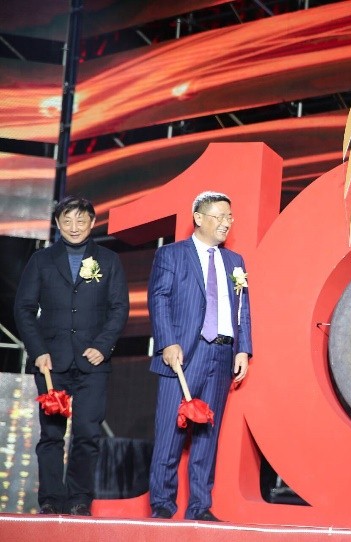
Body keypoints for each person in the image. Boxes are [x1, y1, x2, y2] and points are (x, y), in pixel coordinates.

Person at [14, 196, 129, 516]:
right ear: (57, 224)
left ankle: (80, 499)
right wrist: (38, 351)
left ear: (92, 222)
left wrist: (102, 346)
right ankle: (51, 499)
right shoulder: (41, 260)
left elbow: (119, 308)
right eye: (67, 220)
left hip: (93, 362)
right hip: (51, 362)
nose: (74, 227)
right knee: (51, 434)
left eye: (80, 220)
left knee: (87, 433)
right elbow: (23, 308)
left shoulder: (108, 260)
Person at [147, 191, 252, 521]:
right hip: (183, 355)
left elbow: (243, 309)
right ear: (198, 218)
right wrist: (167, 343)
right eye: (219, 216)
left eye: (229, 217)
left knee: (208, 435)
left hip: (221, 354)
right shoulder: (172, 255)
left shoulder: (235, 261)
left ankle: (200, 507)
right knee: (170, 432)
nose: (226, 223)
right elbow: (159, 299)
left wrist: (243, 348)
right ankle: (162, 505)